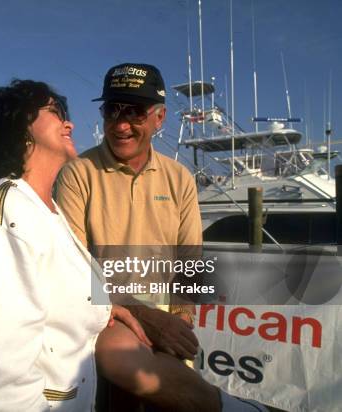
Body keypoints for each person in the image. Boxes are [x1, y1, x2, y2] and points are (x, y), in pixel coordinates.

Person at [56, 63, 266, 411]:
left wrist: (179, 322)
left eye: (134, 111)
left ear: (159, 118)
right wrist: (146, 319)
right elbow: (73, 272)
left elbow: (188, 266)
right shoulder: (77, 175)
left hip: (167, 327)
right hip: (103, 322)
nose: (121, 125)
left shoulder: (180, 178)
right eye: (112, 110)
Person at [0, 79, 150, 411]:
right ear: (18, 125)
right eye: (55, 112)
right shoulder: (5, 212)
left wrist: (102, 309)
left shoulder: (47, 210)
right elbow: (3, 375)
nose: (68, 122)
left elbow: (50, 292)